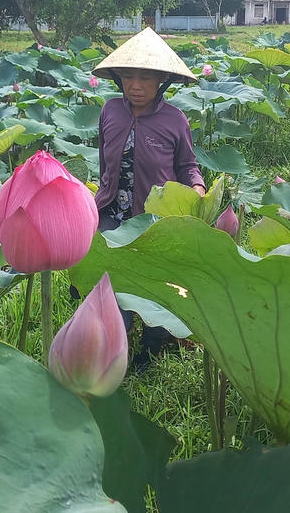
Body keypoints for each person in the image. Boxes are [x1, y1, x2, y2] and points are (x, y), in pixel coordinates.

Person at [88, 27, 205, 369]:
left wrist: (196, 189)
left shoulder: (174, 120)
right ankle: (114, 344)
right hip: (111, 210)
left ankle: (152, 348)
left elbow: (187, 165)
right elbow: (102, 163)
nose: (135, 85)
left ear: (162, 81)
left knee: (156, 285)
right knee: (111, 280)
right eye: (128, 76)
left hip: (152, 217)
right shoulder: (110, 111)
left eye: (145, 77)